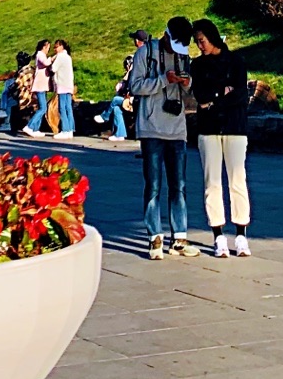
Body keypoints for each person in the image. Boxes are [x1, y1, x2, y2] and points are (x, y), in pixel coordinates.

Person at [125, 16, 200, 259]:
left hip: (177, 127)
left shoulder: (182, 56)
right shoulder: (144, 54)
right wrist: (161, 80)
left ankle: (179, 238)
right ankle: (154, 237)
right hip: (151, 127)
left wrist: (187, 83)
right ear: (166, 35)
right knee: (154, 184)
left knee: (179, 185)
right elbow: (135, 86)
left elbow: (190, 90)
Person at [191, 18, 251, 257]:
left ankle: (241, 234)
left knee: (237, 180)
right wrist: (220, 93)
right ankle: (218, 236)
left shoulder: (236, 61)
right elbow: (200, 94)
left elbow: (240, 94)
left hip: (235, 127)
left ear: (212, 37)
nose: (200, 46)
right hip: (209, 130)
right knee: (212, 182)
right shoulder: (197, 65)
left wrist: (213, 101)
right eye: (197, 42)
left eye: (202, 40)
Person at [96, 29, 147, 141]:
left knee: (115, 100)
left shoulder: (140, 55)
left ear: (138, 41)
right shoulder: (142, 53)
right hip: (133, 96)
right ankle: (120, 134)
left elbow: (133, 77)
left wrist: (129, 73)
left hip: (137, 97)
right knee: (116, 109)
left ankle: (104, 116)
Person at [23, 39, 54, 134]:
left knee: (42, 107)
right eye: (48, 47)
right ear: (44, 46)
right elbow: (46, 63)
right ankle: (30, 126)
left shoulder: (42, 55)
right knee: (43, 108)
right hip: (40, 85)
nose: (48, 49)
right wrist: (53, 58)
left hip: (43, 86)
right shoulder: (40, 54)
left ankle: (36, 129)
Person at [51, 38, 76, 136]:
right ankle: (70, 129)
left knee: (62, 108)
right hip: (69, 84)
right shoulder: (68, 57)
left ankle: (65, 130)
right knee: (68, 107)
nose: (55, 49)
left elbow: (53, 68)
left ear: (62, 47)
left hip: (62, 84)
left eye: (56, 47)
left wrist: (52, 60)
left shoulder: (60, 57)